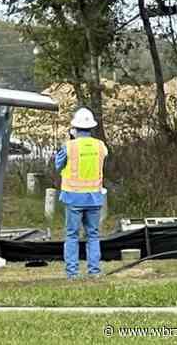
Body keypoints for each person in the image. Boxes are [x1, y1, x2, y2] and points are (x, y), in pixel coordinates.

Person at [55, 107, 108, 279]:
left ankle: (72, 273)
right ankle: (94, 271)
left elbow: (58, 165)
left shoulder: (69, 147)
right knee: (93, 235)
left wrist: (71, 140)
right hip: (94, 197)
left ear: (74, 128)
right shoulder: (100, 146)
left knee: (72, 235)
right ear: (91, 127)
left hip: (73, 197)